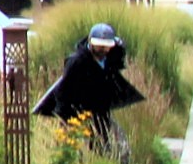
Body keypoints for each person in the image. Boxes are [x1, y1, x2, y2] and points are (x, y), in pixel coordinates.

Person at [35, 19, 145, 149]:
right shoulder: (77, 61)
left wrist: (119, 48)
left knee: (103, 146)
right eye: (99, 46)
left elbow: (119, 60)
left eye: (106, 46)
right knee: (74, 148)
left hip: (100, 109)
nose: (102, 50)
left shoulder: (109, 58)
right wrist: (65, 119)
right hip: (77, 111)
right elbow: (63, 91)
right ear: (90, 43)